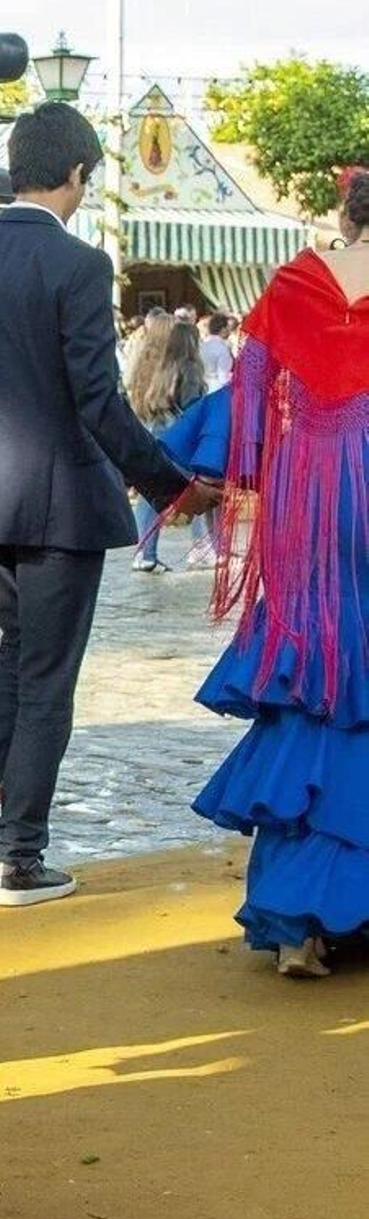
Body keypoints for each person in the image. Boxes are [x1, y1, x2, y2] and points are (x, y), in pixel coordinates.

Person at [0, 101, 218, 906]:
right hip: (58, 505)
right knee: (48, 675)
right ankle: (20, 855)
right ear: (78, 174)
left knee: (21, 650)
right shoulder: (78, 265)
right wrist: (171, 487)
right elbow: (99, 401)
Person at [170, 170, 369, 979]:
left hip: (305, 500)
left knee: (309, 681)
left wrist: (198, 474)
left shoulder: (294, 282)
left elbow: (249, 393)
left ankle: (295, 926)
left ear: (346, 214)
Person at [123, 313, 208, 571]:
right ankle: (201, 548)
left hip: (151, 432)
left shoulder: (151, 365)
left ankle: (144, 552)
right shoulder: (187, 368)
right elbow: (192, 406)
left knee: (150, 496)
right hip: (179, 438)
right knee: (200, 487)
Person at [198, 308, 235, 390]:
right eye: (228, 327)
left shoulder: (202, 346)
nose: (229, 331)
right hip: (217, 389)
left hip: (203, 388)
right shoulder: (222, 349)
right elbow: (223, 379)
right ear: (223, 329)